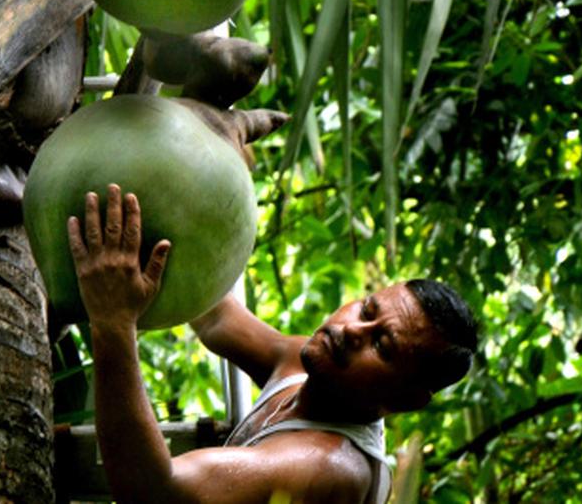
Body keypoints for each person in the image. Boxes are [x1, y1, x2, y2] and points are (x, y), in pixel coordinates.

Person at [67, 184, 478, 504]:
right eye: (367, 310)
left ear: (406, 400)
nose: (353, 330)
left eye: (382, 346)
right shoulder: (314, 365)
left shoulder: (325, 467)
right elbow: (216, 317)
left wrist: (112, 321)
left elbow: (154, 493)